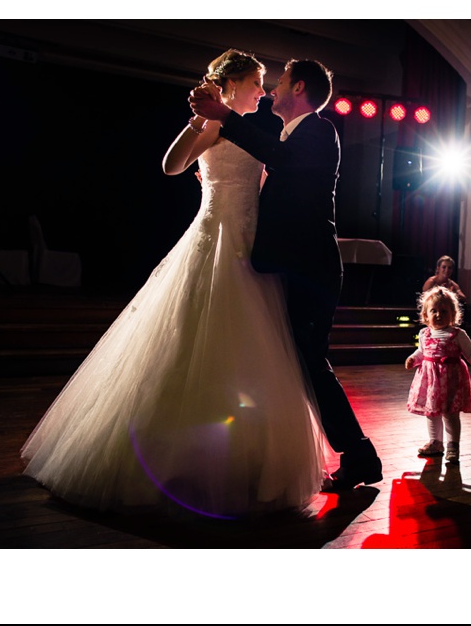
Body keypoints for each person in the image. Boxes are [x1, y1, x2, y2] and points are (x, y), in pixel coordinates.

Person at [21, 49, 326, 519]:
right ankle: (177, 457)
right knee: (194, 338)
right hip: (215, 234)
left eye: (268, 83)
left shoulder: (260, 130)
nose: (263, 91)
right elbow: (171, 166)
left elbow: (270, 181)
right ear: (234, 85)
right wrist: (196, 125)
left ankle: (245, 455)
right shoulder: (213, 126)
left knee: (250, 348)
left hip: (251, 246)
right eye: (256, 82)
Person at [191, 58, 383, 491]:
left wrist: (224, 117)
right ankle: (330, 453)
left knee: (311, 362)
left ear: (298, 88)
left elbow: (281, 158)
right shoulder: (290, 137)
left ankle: (360, 456)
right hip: (290, 269)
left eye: (279, 82)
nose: (272, 90)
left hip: (311, 272)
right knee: (300, 362)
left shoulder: (319, 131)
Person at [404, 286, 471, 464]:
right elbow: (421, 352)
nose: (438, 315)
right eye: (433, 311)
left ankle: (453, 446)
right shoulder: (424, 334)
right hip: (430, 382)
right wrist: (413, 359)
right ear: (426, 315)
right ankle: (436, 442)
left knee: (450, 414)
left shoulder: (457, 334)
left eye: (443, 311)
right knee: (431, 413)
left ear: (453, 314)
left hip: (451, 380)